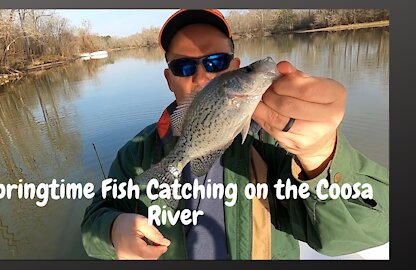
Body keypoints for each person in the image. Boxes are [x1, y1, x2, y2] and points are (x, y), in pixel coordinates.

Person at [81, 9, 389, 260]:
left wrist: (320, 156)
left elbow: (363, 232)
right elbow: (94, 221)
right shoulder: (136, 153)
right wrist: (112, 230)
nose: (202, 76)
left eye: (216, 62)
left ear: (235, 68)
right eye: (184, 66)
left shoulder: (272, 144)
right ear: (168, 78)